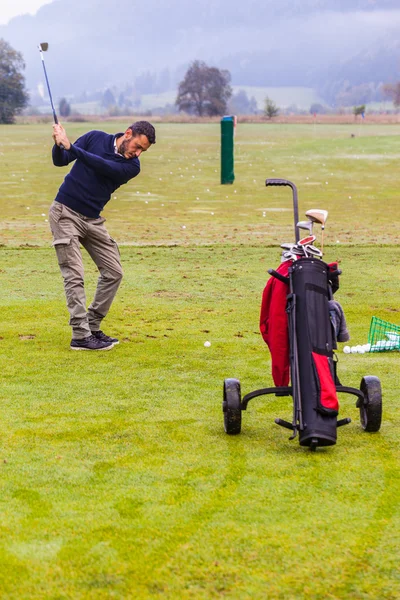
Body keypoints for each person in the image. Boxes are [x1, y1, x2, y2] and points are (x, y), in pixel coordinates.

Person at [49, 120, 156, 350]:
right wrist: (59, 144)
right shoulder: (94, 137)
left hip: (93, 220)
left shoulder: (132, 167)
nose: (137, 153)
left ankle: (92, 325)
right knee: (74, 275)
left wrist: (71, 147)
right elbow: (61, 161)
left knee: (114, 272)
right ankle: (80, 335)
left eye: (142, 151)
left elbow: (104, 167)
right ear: (128, 133)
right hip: (65, 213)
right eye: (137, 146)